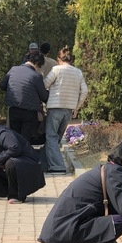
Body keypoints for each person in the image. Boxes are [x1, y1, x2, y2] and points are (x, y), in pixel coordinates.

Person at [42, 45, 89, 173]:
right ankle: (48, 163)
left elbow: (45, 84)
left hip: (55, 108)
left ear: (59, 59)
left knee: (51, 137)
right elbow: (84, 91)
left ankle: (57, 166)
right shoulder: (78, 72)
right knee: (56, 138)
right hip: (69, 110)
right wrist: (76, 107)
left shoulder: (56, 70)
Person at [0, 50, 49, 143]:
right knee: (25, 140)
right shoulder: (36, 76)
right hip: (29, 112)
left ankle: (15, 156)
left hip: (13, 108)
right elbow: (44, 96)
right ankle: (24, 156)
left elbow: (2, 86)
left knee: (14, 138)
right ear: (38, 63)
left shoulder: (13, 69)